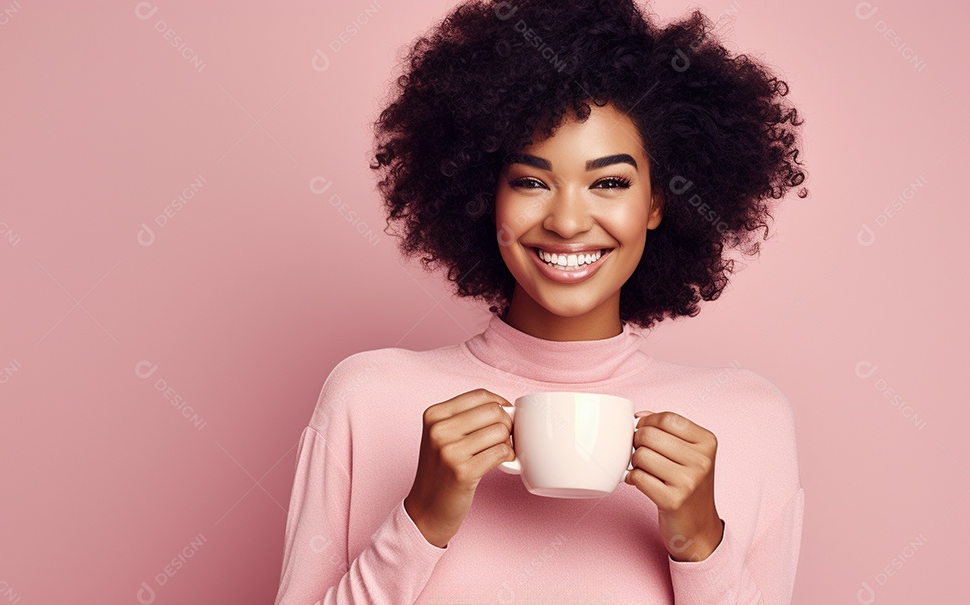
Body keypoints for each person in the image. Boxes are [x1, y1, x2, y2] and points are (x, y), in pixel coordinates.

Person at [275, 0, 808, 602]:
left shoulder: (748, 419)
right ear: (486, 195)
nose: (568, 221)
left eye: (609, 182)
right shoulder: (367, 397)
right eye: (531, 181)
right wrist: (421, 519)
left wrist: (702, 545)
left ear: (658, 203)